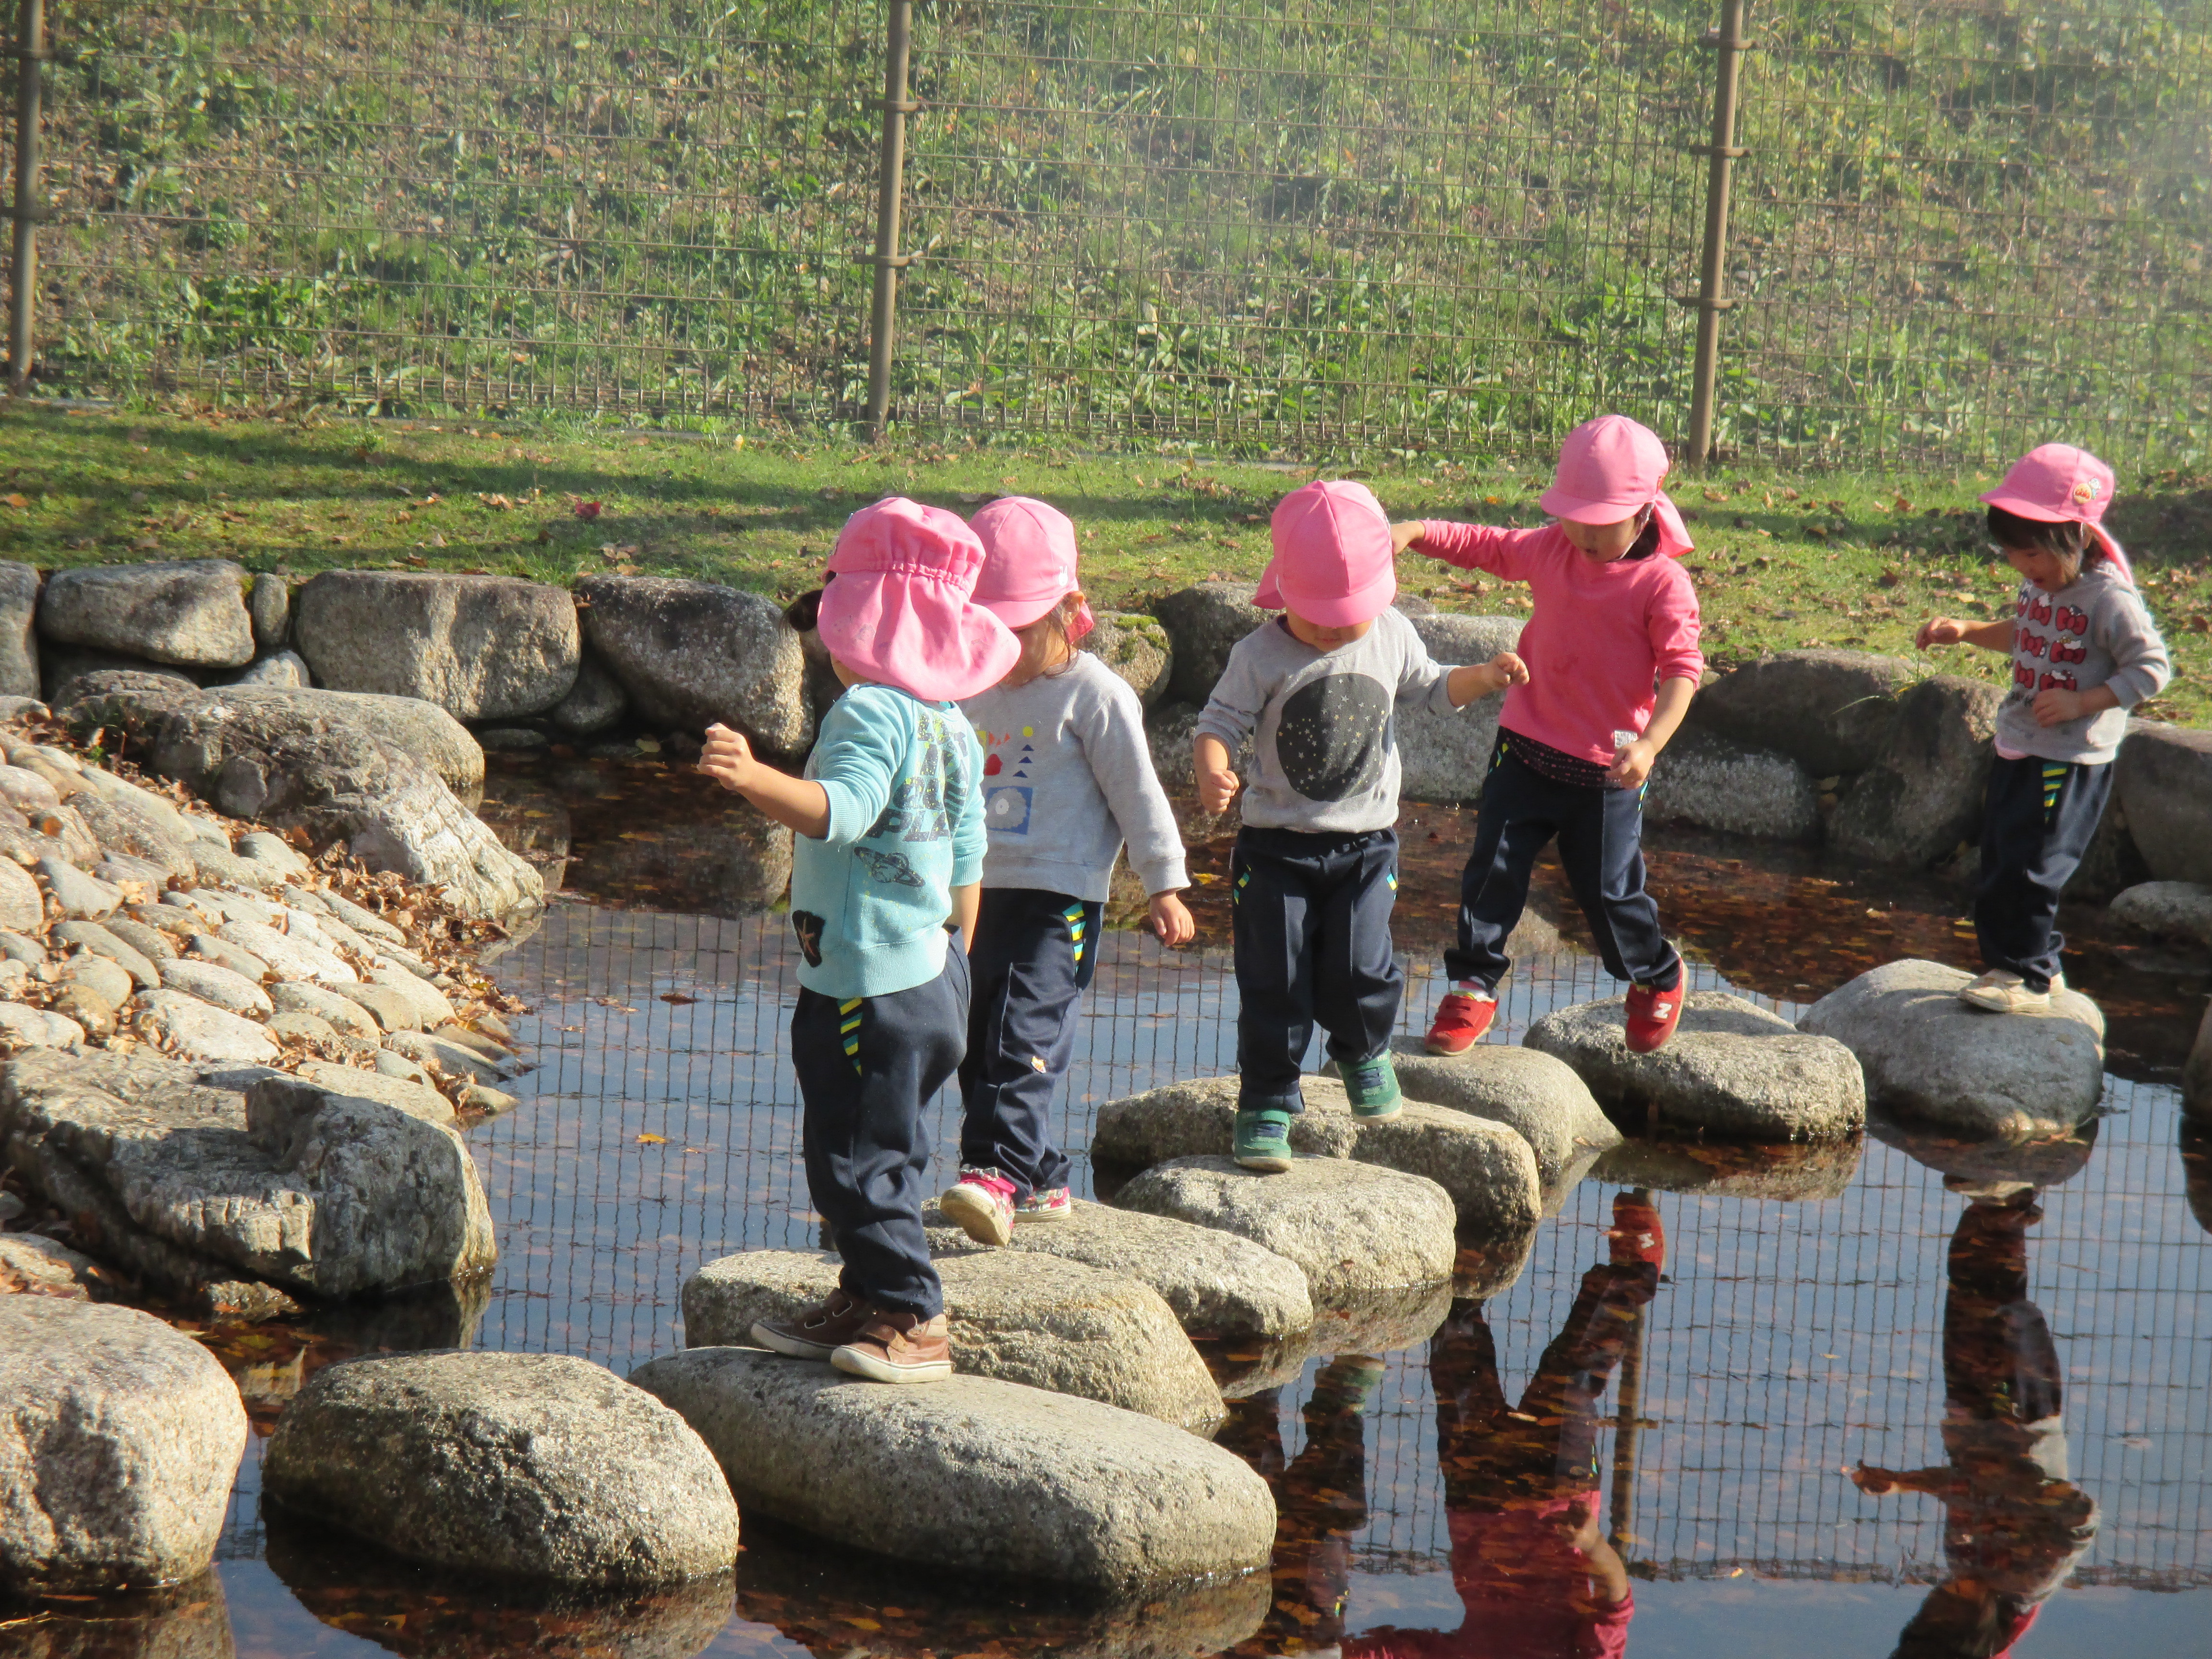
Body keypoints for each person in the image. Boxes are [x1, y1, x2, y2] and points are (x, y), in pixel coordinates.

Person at [698, 495, 1013, 1385]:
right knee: (891, 1147)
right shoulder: (949, 721)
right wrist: (957, 961)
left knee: (850, 1160)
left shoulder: (871, 713)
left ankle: (913, 1314)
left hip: (863, 987)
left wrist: (754, 776)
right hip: (929, 975)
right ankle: (866, 1291)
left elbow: (839, 814)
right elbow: (968, 852)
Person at [1194, 479, 1524, 1172]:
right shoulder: (1260, 655)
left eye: (1351, 616)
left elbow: (1434, 687)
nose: (1338, 630)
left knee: (1361, 963)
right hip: (1276, 848)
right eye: (1321, 618)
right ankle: (1267, 1102)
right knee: (1274, 979)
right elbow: (1218, 723)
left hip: (1367, 845)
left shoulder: (1393, 633)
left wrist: (1482, 677)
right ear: (1283, 594)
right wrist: (1211, 767)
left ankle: (1363, 1051)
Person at [1392, 413, 1703, 1058]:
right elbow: (1486, 544)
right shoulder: (1552, 548)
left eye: (1601, 527)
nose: (1583, 539)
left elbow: (1682, 673)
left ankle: (1656, 973)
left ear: (1645, 513)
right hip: (1526, 749)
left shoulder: (1661, 584)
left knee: (1610, 898)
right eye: (1574, 521)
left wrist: (1648, 745)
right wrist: (1418, 531)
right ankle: (1472, 986)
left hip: (1606, 772)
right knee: (1491, 874)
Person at [939, 496, 1194, 1245]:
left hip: (1060, 904)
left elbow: (1138, 796)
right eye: (988, 628)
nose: (1005, 646)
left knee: (1024, 1034)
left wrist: (1165, 884)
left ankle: (992, 1171)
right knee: (975, 1034)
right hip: (977, 894)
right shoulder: (967, 684)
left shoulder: (1096, 696)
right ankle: (1041, 1175)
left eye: (1019, 629)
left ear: (1068, 611)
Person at [1346, 1191, 1664, 1659]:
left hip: (1478, 1502)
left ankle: (1465, 1248)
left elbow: (1402, 1652)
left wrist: (1333, 1652)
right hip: (1559, 1496)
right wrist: (1594, 1545)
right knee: (1573, 1371)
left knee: (1457, 1359)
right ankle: (1632, 1272)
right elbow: (1617, 1605)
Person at [1915, 443, 2171, 1013]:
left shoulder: (2109, 600)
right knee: (2001, 858)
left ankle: (2026, 975)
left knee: (2034, 867)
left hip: (2068, 758)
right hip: (2019, 744)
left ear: (2077, 536)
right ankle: (2024, 966)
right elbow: (2026, 630)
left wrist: (2086, 702)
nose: (2023, 569)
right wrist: (1968, 630)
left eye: (2032, 555)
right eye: (2013, 556)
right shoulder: (2045, 585)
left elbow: (2152, 670)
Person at [1852, 1188, 2099, 1658]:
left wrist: (1905, 1483)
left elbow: (1965, 1487)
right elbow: (2081, 1520)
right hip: (2019, 1413)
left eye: (1938, 1596)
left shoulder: (1964, 1564)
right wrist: (2021, 1487)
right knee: (1997, 1299)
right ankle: (2009, 1187)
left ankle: (2000, 1199)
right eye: (1959, 1599)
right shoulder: (2028, 1577)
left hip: (1969, 1415)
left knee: (1969, 1288)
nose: (1953, 1585)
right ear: (1984, 1633)